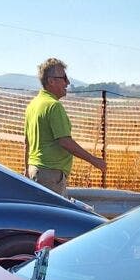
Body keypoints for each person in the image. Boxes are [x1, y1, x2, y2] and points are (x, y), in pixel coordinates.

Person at [23, 58, 105, 197]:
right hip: (50, 176)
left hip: (34, 172)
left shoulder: (33, 104)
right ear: (51, 81)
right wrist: (94, 160)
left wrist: (26, 170)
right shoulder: (54, 106)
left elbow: (27, 143)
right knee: (52, 218)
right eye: (64, 78)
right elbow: (65, 141)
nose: (67, 82)